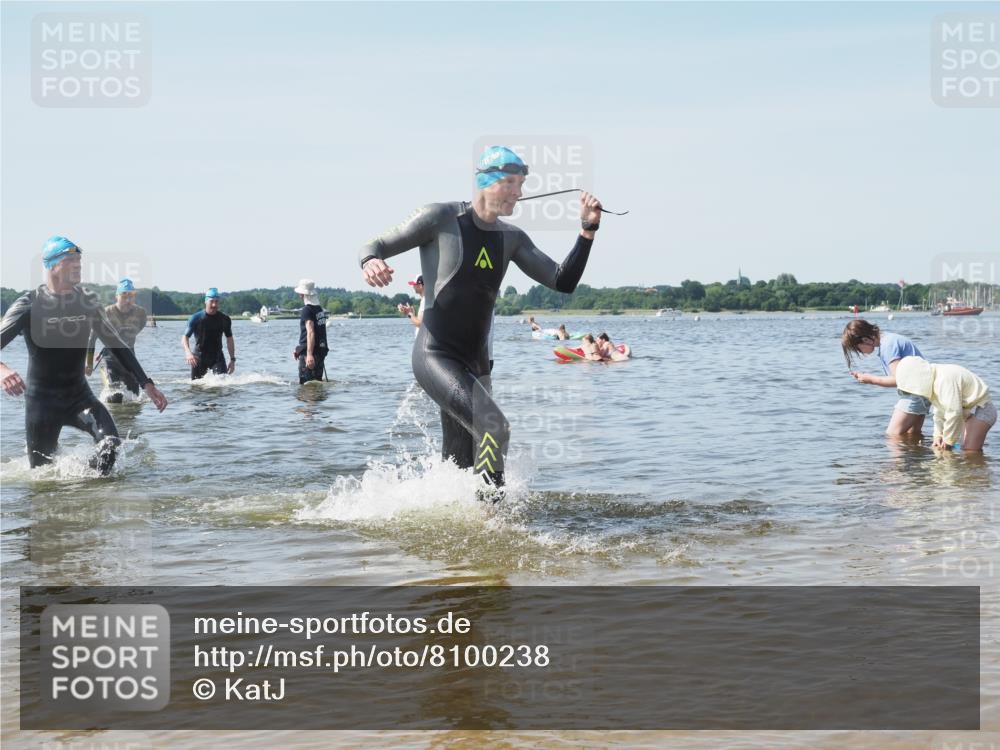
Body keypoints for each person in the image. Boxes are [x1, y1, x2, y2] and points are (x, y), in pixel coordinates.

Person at [359, 145, 603, 499]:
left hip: (477, 365)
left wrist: (587, 230)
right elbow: (376, 243)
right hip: (436, 355)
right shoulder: (439, 218)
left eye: (521, 184)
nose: (519, 192)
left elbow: (562, 280)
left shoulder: (512, 238)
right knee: (494, 427)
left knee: (462, 462)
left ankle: (449, 523)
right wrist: (370, 261)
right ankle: (494, 513)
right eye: (510, 183)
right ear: (485, 182)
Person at [0, 236, 168, 474]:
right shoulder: (29, 304)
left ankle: (85, 490)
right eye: (70, 260)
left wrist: (147, 383)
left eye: (79, 259)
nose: (78, 264)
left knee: (111, 448)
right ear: (51, 265)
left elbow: (117, 344)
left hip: (79, 396)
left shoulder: (86, 302)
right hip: (42, 404)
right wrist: (3, 370)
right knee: (42, 476)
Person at [841, 319, 928, 436]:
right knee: (912, 436)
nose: (860, 353)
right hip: (923, 391)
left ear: (866, 340)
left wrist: (870, 379)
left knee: (892, 436)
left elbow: (900, 380)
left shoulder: (887, 346)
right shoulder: (889, 339)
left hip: (915, 394)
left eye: (858, 349)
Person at [895, 356, 995, 452]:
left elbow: (954, 412)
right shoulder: (934, 380)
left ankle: (979, 467)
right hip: (967, 412)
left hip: (981, 409)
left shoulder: (943, 379)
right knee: (959, 448)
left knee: (969, 451)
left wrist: (948, 441)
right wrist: (938, 436)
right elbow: (939, 412)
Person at [85, 278, 147, 403]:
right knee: (115, 397)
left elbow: (136, 330)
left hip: (130, 357)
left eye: (131, 296)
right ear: (116, 296)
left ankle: (128, 422)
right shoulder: (105, 313)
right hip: (110, 359)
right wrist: (89, 363)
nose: (128, 300)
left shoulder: (140, 313)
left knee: (134, 398)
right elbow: (91, 339)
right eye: (124, 297)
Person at [182, 288, 236, 380]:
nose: (214, 304)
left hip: (217, 357)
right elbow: (184, 338)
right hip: (199, 357)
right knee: (196, 388)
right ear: (206, 302)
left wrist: (232, 359)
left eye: (216, 301)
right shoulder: (195, 318)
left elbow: (229, 339)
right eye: (212, 301)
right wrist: (188, 353)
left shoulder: (225, 319)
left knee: (222, 385)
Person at [293, 279, 328, 384]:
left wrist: (309, 354)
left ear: (302, 294)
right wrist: (300, 349)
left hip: (311, 353)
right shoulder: (319, 309)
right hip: (320, 351)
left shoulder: (307, 310)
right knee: (316, 383)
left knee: (306, 387)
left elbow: (311, 332)